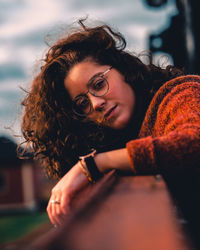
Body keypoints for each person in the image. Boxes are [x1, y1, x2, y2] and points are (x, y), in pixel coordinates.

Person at [21, 19, 200, 227]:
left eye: (98, 84)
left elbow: (192, 144)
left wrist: (91, 165)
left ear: (123, 70)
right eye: (82, 104)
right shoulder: (125, 136)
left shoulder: (180, 93)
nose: (96, 104)